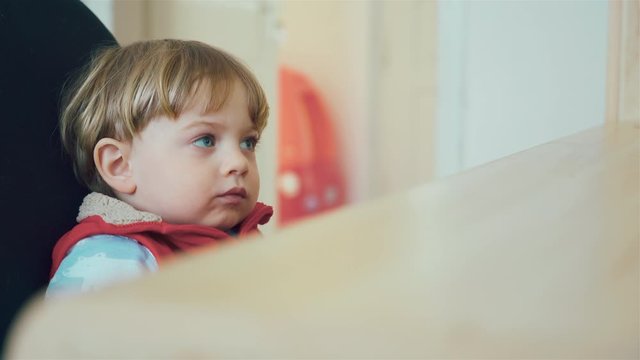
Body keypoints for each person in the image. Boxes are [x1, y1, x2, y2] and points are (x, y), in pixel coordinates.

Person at [46, 39, 273, 297]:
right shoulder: (111, 264)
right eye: (205, 140)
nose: (239, 163)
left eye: (248, 142)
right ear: (120, 166)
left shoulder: (242, 238)